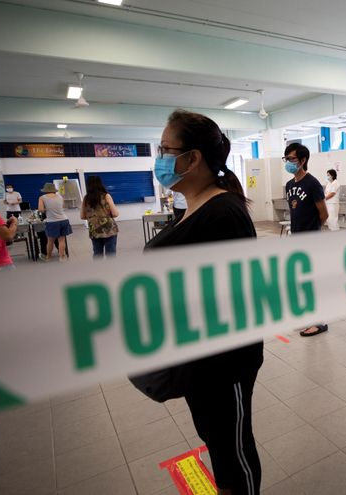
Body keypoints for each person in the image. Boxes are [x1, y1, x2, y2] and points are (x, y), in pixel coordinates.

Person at [136, 110, 263, 495]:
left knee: (232, 449)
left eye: (165, 149)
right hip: (199, 360)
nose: (159, 157)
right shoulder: (193, 206)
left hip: (224, 363)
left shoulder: (223, 213)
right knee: (216, 440)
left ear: (193, 159)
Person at [284, 142, 330, 337]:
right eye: (286, 159)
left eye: (292, 159)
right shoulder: (289, 185)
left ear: (303, 160)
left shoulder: (312, 184)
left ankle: (319, 322)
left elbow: (324, 214)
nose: (288, 162)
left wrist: (312, 232)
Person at [80, 175, 120, 258]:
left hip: (94, 230)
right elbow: (115, 214)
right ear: (100, 184)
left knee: (97, 254)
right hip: (109, 230)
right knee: (111, 255)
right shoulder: (106, 196)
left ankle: (98, 271)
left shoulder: (86, 199)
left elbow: (82, 216)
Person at [38, 182, 72, 262]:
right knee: (61, 240)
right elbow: (62, 207)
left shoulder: (42, 197)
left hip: (52, 222)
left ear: (45, 190)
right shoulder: (60, 197)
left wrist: (47, 209)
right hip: (64, 220)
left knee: (50, 241)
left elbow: (40, 209)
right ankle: (62, 257)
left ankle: (48, 257)